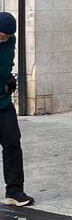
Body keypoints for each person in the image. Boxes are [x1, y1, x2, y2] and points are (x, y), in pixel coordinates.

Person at [0, 12, 34, 206]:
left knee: (13, 143)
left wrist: (9, 79)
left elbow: (6, 65)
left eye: (7, 35)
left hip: (3, 103)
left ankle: (14, 191)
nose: (4, 38)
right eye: (1, 34)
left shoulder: (10, 41)